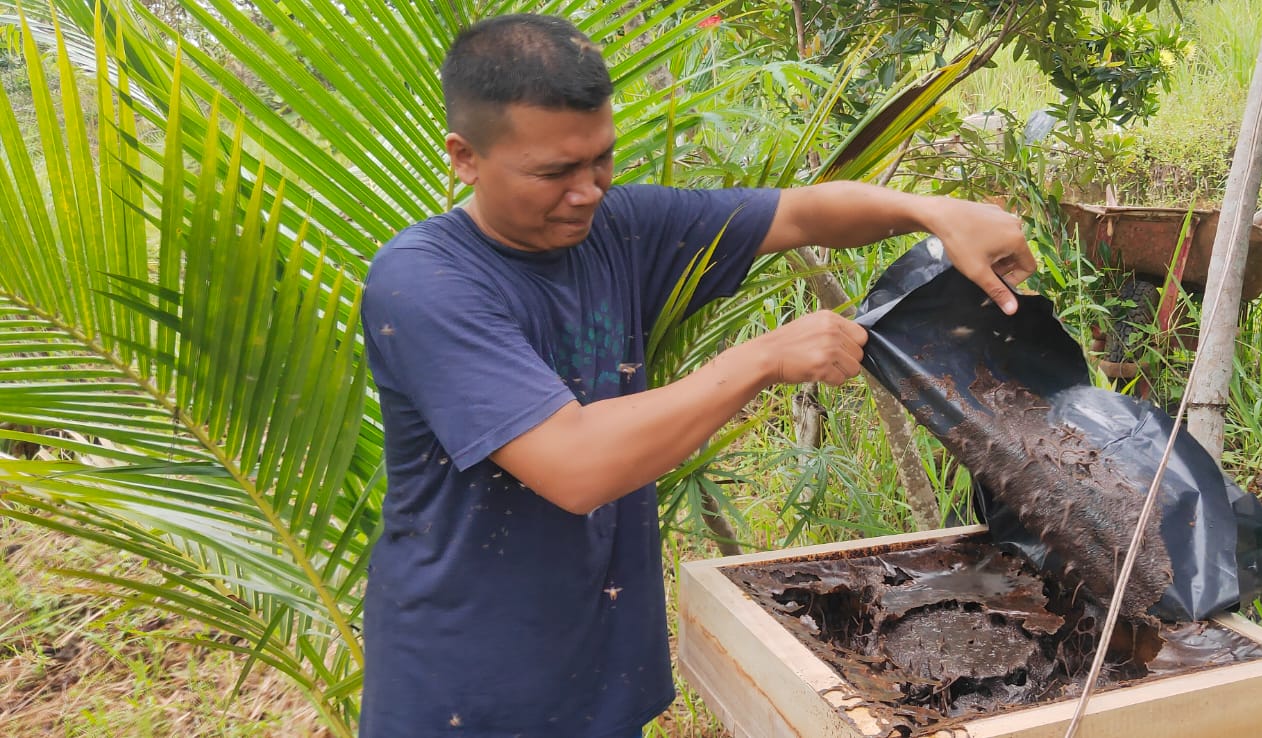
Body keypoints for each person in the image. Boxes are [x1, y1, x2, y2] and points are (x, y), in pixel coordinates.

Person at [357, 12, 1034, 738]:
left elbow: (802, 214)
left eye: (601, 160)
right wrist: (762, 358)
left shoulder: (619, 226)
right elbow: (573, 465)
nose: (587, 191)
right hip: (467, 692)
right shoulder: (425, 283)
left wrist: (928, 210)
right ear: (465, 157)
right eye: (554, 171)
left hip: (596, 669)